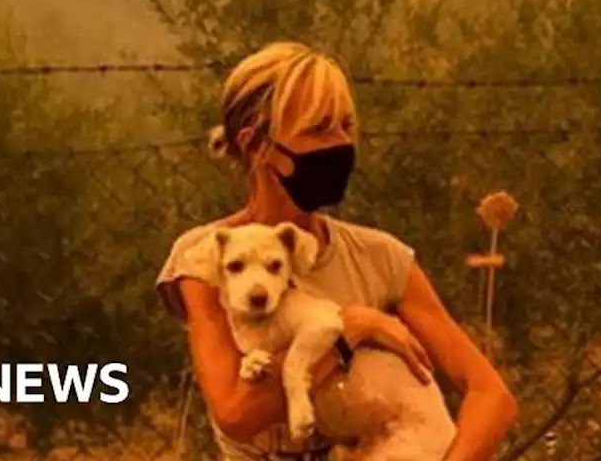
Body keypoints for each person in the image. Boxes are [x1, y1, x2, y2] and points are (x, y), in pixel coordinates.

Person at [156, 41, 518, 460]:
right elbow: (237, 412)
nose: (341, 144)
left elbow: (491, 395)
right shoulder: (208, 258)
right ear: (257, 145)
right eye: (319, 129)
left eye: (346, 126)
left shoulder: (381, 257)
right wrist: (350, 330)